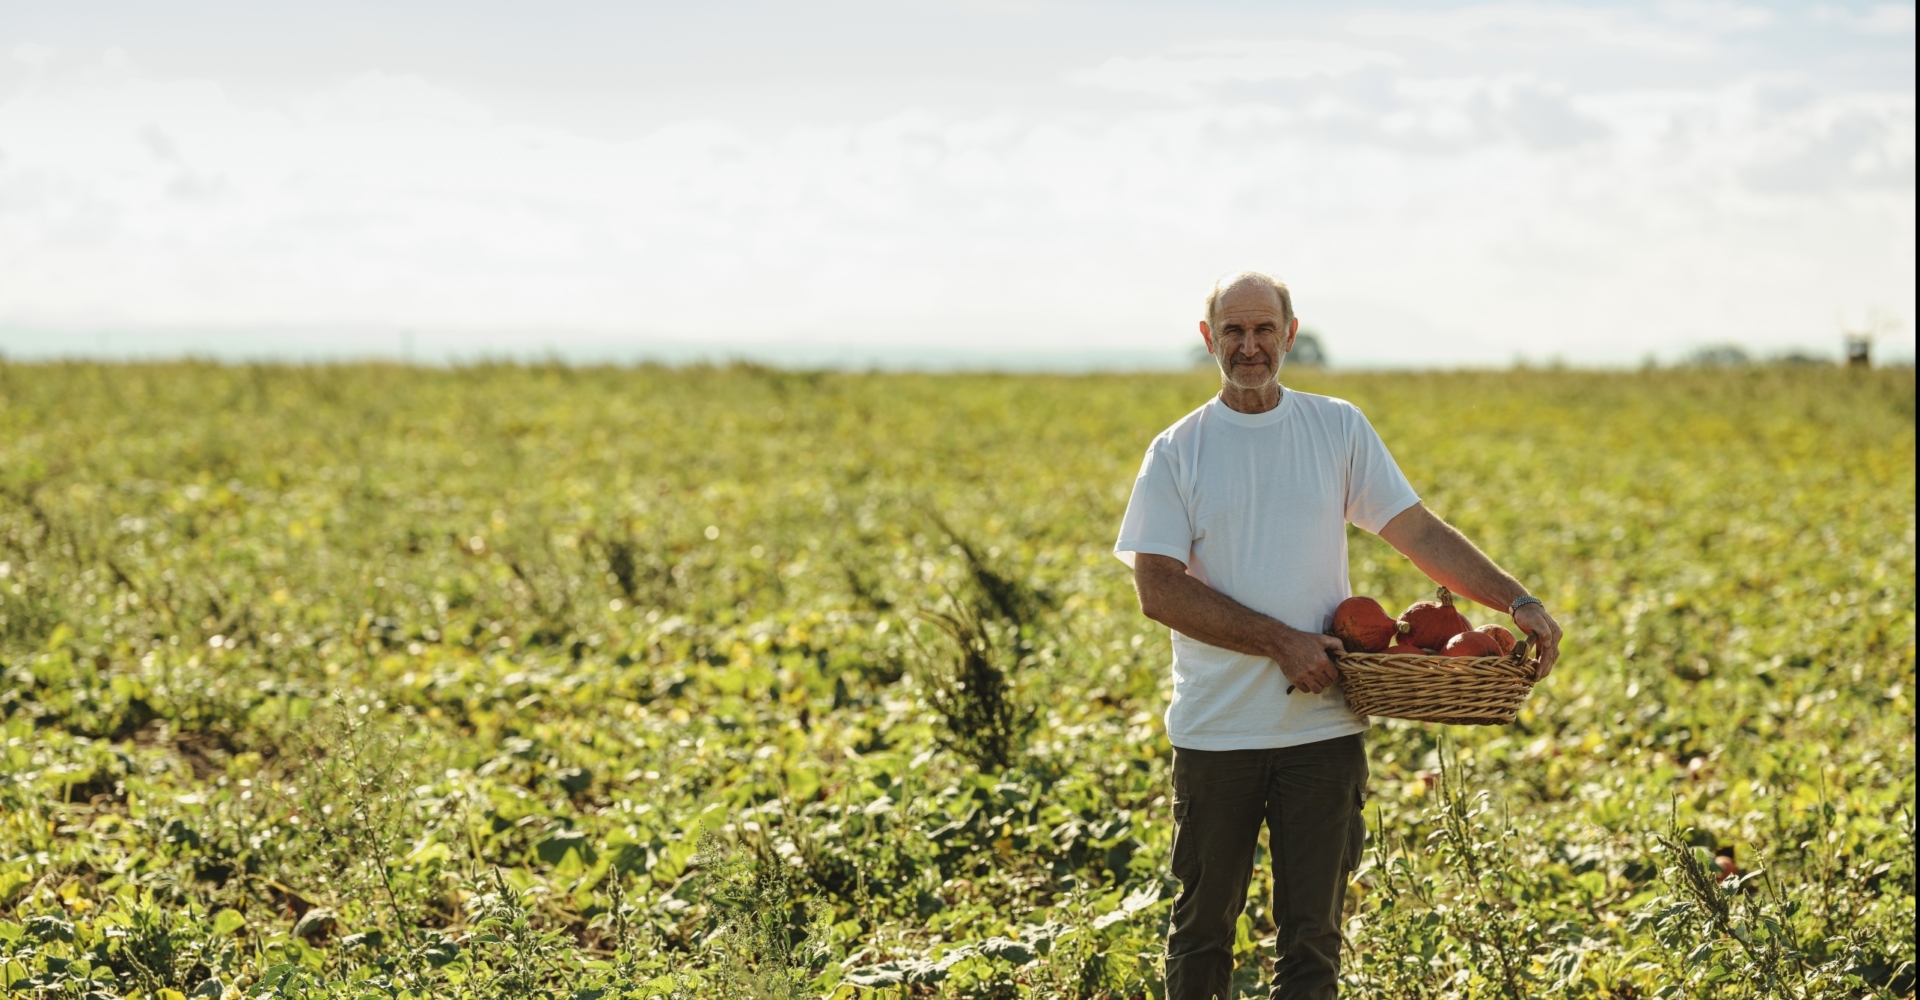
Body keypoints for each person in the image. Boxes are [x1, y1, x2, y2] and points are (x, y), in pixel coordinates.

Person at [1113, 271, 1563, 1000]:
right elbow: (1157, 588)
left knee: (1313, 944)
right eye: (1233, 331)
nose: (1250, 346)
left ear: (1290, 334)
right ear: (1209, 340)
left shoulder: (1337, 427)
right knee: (1201, 934)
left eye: (1265, 330)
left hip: (1322, 732)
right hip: (1217, 733)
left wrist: (1517, 600)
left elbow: (1415, 531)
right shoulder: (1178, 452)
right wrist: (1279, 641)